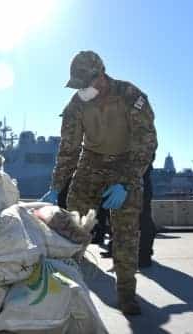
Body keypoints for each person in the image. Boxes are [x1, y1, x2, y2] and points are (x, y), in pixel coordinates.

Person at [43, 51, 157, 315]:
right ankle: (67, 286)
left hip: (126, 163)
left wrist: (127, 183)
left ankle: (127, 295)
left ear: (101, 76)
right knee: (72, 225)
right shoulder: (76, 105)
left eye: (85, 84)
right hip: (91, 163)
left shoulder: (131, 96)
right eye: (78, 85)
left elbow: (146, 143)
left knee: (126, 234)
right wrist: (56, 186)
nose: (81, 90)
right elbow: (69, 148)